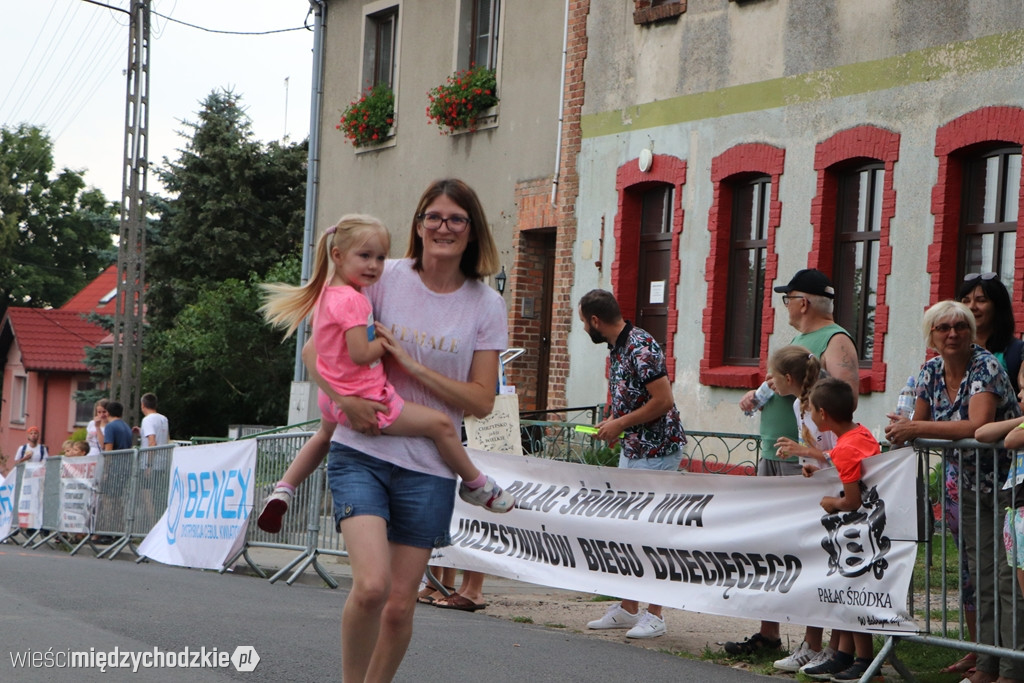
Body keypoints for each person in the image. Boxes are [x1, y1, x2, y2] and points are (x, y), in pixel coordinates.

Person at [293, 179, 508, 681]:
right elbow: (314, 351)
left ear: (472, 230)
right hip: (363, 450)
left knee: (398, 607)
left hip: (429, 469)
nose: (443, 227)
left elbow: (480, 401)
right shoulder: (382, 275)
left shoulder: (484, 304)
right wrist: (345, 400)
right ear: (418, 224)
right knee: (370, 589)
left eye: (456, 219)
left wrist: (414, 367)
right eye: (432, 216)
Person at [257, 212, 514, 535]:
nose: (375, 266)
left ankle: (285, 487)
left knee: (323, 436)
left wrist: (339, 397)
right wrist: (387, 345)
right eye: (365, 256)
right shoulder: (355, 301)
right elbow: (360, 353)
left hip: (334, 396)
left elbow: (311, 353)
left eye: (379, 258)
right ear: (338, 255)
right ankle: (477, 484)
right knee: (442, 425)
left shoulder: (326, 295)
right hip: (371, 400)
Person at [886, 300, 1024, 683]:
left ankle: (1012, 670)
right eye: (943, 327)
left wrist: (915, 429)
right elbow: (918, 421)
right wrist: (907, 428)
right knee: (980, 578)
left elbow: (975, 424)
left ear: (971, 332)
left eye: (960, 327)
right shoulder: (929, 371)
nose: (952, 334)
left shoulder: (986, 367)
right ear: (931, 335)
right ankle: (985, 664)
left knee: (1006, 577)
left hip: (1007, 487)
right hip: (963, 487)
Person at [726, 268, 859, 656]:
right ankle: (769, 635)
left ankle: (812, 642)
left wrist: (798, 392)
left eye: (788, 298)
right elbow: (785, 383)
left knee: (807, 547)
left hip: (804, 461)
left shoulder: (835, 340)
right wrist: (763, 391)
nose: (785, 305)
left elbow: (842, 401)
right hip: (776, 453)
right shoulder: (800, 338)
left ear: (803, 302)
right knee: (771, 544)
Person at [578, 288, 686, 640]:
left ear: (596, 321)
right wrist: (614, 423)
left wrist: (621, 424)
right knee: (628, 529)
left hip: (658, 451)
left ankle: (655, 614)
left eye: (583, 322)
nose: (583, 329)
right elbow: (632, 397)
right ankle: (628, 608)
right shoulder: (618, 346)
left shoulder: (639, 345)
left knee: (651, 531)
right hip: (635, 448)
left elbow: (664, 400)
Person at [797, 377, 882, 681]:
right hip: (865, 528)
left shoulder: (845, 448)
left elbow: (852, 499)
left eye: (811, 413)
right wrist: (820, 468)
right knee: (847, 594)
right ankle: (845, 655)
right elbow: (848, 456)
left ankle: (865, 661)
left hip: (859, 530)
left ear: (822, 414)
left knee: (854, 593)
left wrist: (832, 501)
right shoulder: (859, 434)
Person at [763, 346, 839, 673]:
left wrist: (804, 451)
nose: (771, 383)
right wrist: (806, 461)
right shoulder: (798, 405)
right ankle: (812, 644)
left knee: (831, 568)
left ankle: (836, 648)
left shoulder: (823, 403)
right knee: (812, 566)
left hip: (836, 493)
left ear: (789, 378)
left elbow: (841, 452)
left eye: (775, 377)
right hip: (814, 490)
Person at [959, 272, 1024, 400]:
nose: (972, 307)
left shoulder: (1016, 352)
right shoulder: (952, 350)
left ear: (998, 307)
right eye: (966, 301)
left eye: (981, 301)